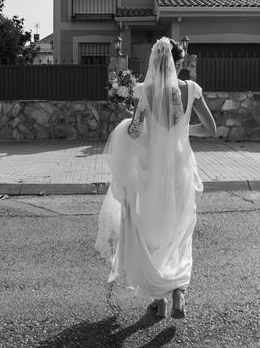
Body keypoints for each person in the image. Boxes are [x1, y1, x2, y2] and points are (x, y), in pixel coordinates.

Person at [95, 37, 217, 319]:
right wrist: (184, 130)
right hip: (181, 168)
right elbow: (210, 128)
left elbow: (136, 132)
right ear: (180, 61)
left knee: (153, 229)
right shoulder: (191, 90)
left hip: (151, 171)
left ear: (155, 60)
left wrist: (127, 115)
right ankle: (177, 293)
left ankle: (159, 298)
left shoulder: (144, 91)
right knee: (179, 229)